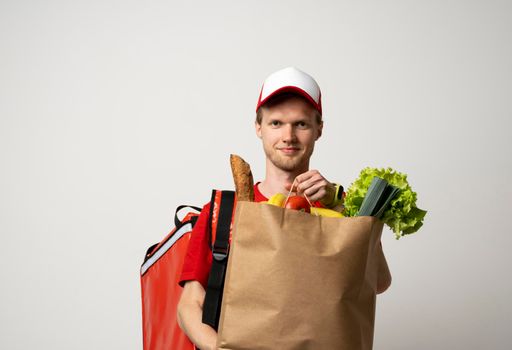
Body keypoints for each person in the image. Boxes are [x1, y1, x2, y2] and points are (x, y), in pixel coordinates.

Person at [176, 67, 392, 350]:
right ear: (258, 128)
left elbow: (378, 282)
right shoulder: (223, 210)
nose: (288, 136)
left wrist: (341, 207)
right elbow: (189, 306)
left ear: (319, 129)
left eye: (301, 124)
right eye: (276, 123)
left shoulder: (342, 208)